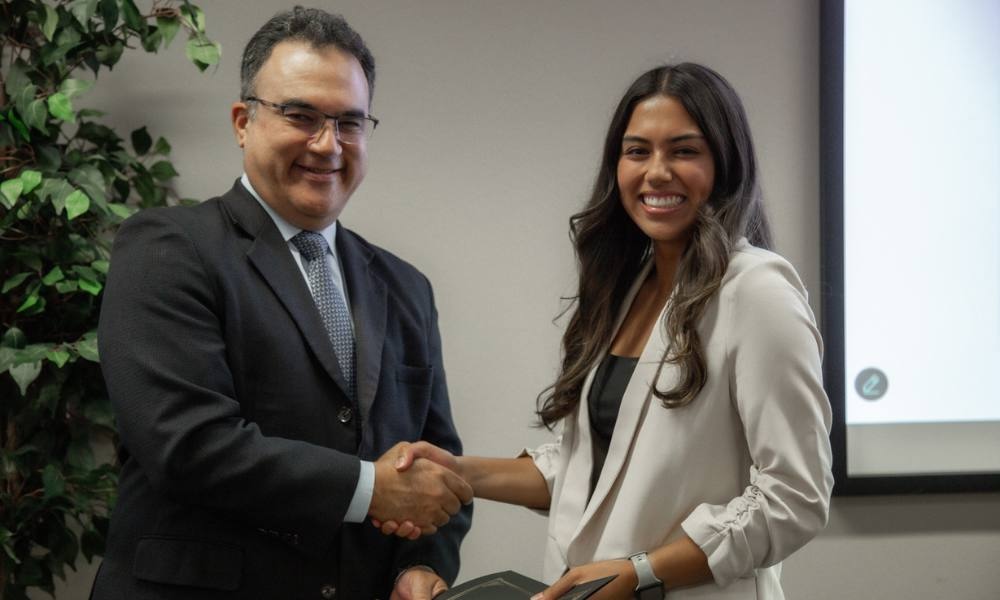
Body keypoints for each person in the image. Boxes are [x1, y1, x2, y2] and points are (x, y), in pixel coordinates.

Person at [389, 63, 833, 599]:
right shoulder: (629, 285)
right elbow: (590, 468)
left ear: (726, 164)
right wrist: (458, 473)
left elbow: (796, 496)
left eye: (685, 151)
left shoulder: (758, 290)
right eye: (638, 151)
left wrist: (642, 572)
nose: (657, 172)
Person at [93, 7, 472, 600]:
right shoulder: (169, 248)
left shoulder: (405, 286)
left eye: (350, 121)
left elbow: (436, 463)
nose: (328, 144)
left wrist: (421, 564)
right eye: (301, 115)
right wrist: (371, 488)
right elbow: (186, 445)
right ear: (243, 121)